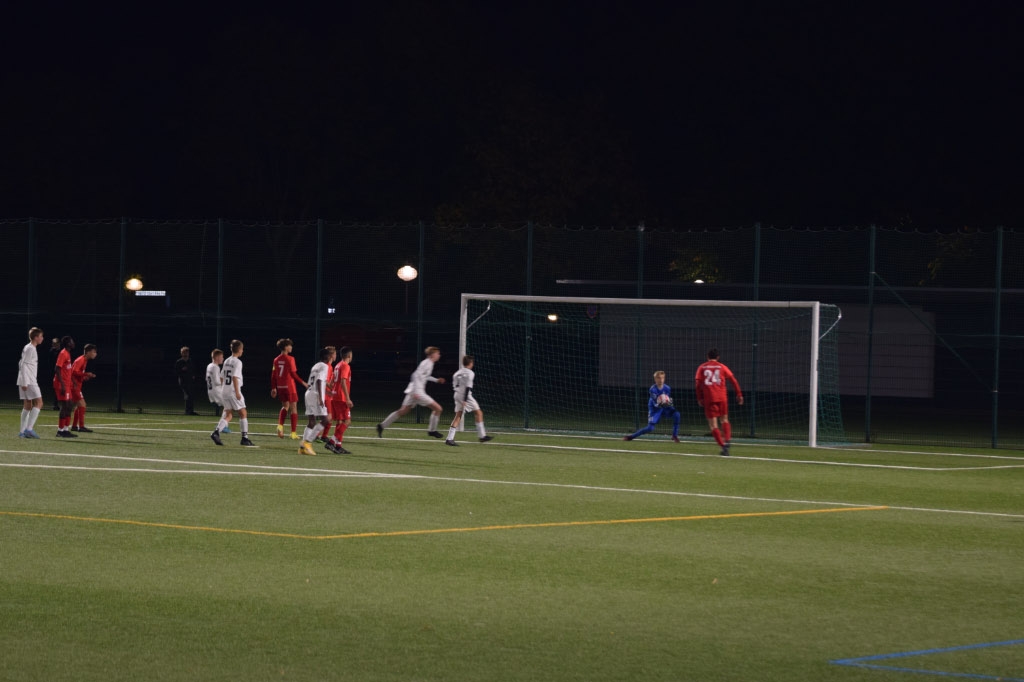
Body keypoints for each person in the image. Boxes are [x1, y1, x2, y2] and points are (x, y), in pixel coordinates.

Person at [376, 346, 446, 438]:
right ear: (432, 354)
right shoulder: (427, 363)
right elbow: (415, 375)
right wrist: (416, 392)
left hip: (413, 390)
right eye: (437, 353)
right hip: (417, 391)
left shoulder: (429, 363)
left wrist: (436, 380)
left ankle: (381, 426)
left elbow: (425, 376)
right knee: (438, 409)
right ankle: (432, 431)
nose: (439, 355)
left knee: (402, 411)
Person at [695, 348, 744, 456]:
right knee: (724, 419)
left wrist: (699, 398)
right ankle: (727, 440)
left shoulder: (702, 367)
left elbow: (698, 385)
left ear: (707, 357)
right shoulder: (722, 367)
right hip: (722, 397)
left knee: (713, 425)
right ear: (718, 357)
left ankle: (723, 446)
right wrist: (739, 394)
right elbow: (733, 380)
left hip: (709, 398)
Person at [210, 339, 254, 446]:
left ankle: (216, 432)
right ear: (239, 350)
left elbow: (221, 377)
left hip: (225, 390)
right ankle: (244, 438)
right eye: (242, 349)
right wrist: (237, 392)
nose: (242, 351)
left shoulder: (227, 361)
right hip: (233, 390)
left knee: (229, 415)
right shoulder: (238, 362)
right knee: (243, 413)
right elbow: (234, 377)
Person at [444, 355, 493, 446]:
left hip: (456, 394)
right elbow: (468, 387)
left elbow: (454, 385)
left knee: (458, 415)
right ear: (470, 363)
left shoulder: (457, 373)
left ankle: (449, 439)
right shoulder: (470, 373)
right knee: (478, 413)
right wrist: (465, 399)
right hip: (465, 396)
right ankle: (482, 436)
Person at [624, 370, 681, 442]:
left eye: (662, 378)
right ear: (655, 379)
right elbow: (656, 403)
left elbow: (666, 399)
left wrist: (668, 402)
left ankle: (674, 435)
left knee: (677, 414)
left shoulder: (667, 388)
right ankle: (631, 436)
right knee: (650, 428)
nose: (660, 380)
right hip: (654, 408)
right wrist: (662, 402)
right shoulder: (652, 389)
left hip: (664, 407)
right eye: (658, 378)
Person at [299, 347, 334, 456]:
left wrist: (326, 392)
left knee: (312, 422)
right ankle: (307, 443)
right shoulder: (325, 366)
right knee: (326, 419)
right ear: (328, 357)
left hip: (309, 393)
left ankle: (302, 448)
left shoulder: (315, 365)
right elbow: (319, 381)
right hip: (315, 395)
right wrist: (320, 397)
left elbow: (315, 382)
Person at [271, 338, 307, 439]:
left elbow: (273, 375)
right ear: (286, 347)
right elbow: (293, 374)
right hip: (289, 386)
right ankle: (293, 433)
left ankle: (280, 426)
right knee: (294, 408)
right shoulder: (290, 359)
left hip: (280, 386)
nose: (291, 347)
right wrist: (303, 383)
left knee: (285, 406)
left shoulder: (276, 360)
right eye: (290, 345)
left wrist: (273, 388)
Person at [17, 327, 45, 438]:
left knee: (28, 405)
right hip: (29, 381)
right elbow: (23, 365)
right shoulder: (30, 349)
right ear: (35, 337)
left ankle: (22, 431)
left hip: (26, 380)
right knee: (39, 403)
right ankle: (29, 429)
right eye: (41, 336)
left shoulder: (29, 347)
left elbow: (21, 363)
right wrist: (25, 382)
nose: (42, 338)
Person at [326, 346, 354, 454]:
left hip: (334, 396)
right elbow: (343, 382)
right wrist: (347, 399)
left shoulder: (337, 365)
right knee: (347, 421)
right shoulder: (345, 366)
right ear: (349, 355)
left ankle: (338, 446)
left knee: (340, 421)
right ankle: (331, 442)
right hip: (341, 398)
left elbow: (331, 383)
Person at [70, 343, 98, 432]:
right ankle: (81, 427)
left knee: (78, 406)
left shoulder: (84, 360)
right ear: (88, 352)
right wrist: (86, 374)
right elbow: (73, 372)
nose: (95, 354)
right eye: (94, 352)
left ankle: (74, 426)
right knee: (82, 404)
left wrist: (84, 377)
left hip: (76, 385)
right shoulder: (81, 360)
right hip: (74, 386)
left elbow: (77, 373)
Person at [53, 336, 77, 438]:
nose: (73, 343)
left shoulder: (68, 353)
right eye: (72, 342)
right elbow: (57, 368)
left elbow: (67, 370)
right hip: (61, 383)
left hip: (66, 383)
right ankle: (60, 431)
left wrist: (72, 381)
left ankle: (66, 430)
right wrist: (62, 384)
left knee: (70, 405)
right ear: (68, 343)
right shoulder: (63, 353)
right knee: (65, 406)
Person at [205, 349, 230, 432]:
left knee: (227, 406)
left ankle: (223, 426)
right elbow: (217, 381)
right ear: (216, 357)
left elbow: (207, 379)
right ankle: (223, 426)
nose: (223, 358)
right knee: (228, 406)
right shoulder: (216, 367)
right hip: (217, 391)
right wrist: (225, 381)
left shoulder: (209, 366)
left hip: (210, 391)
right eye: (221, 357)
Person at [175, 346, 200, 415]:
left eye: (186, 352)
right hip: (183, 381)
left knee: (191, 395)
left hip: (190, 381)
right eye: (184, 352)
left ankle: (191, 411)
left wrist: (194, 375)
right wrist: (182, 370)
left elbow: (194, 369)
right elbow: (176, 372)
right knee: (187, 395)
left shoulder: (190, 361)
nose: (185, 354)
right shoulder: (179, 362)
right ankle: (187, 411)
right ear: (181, 353)